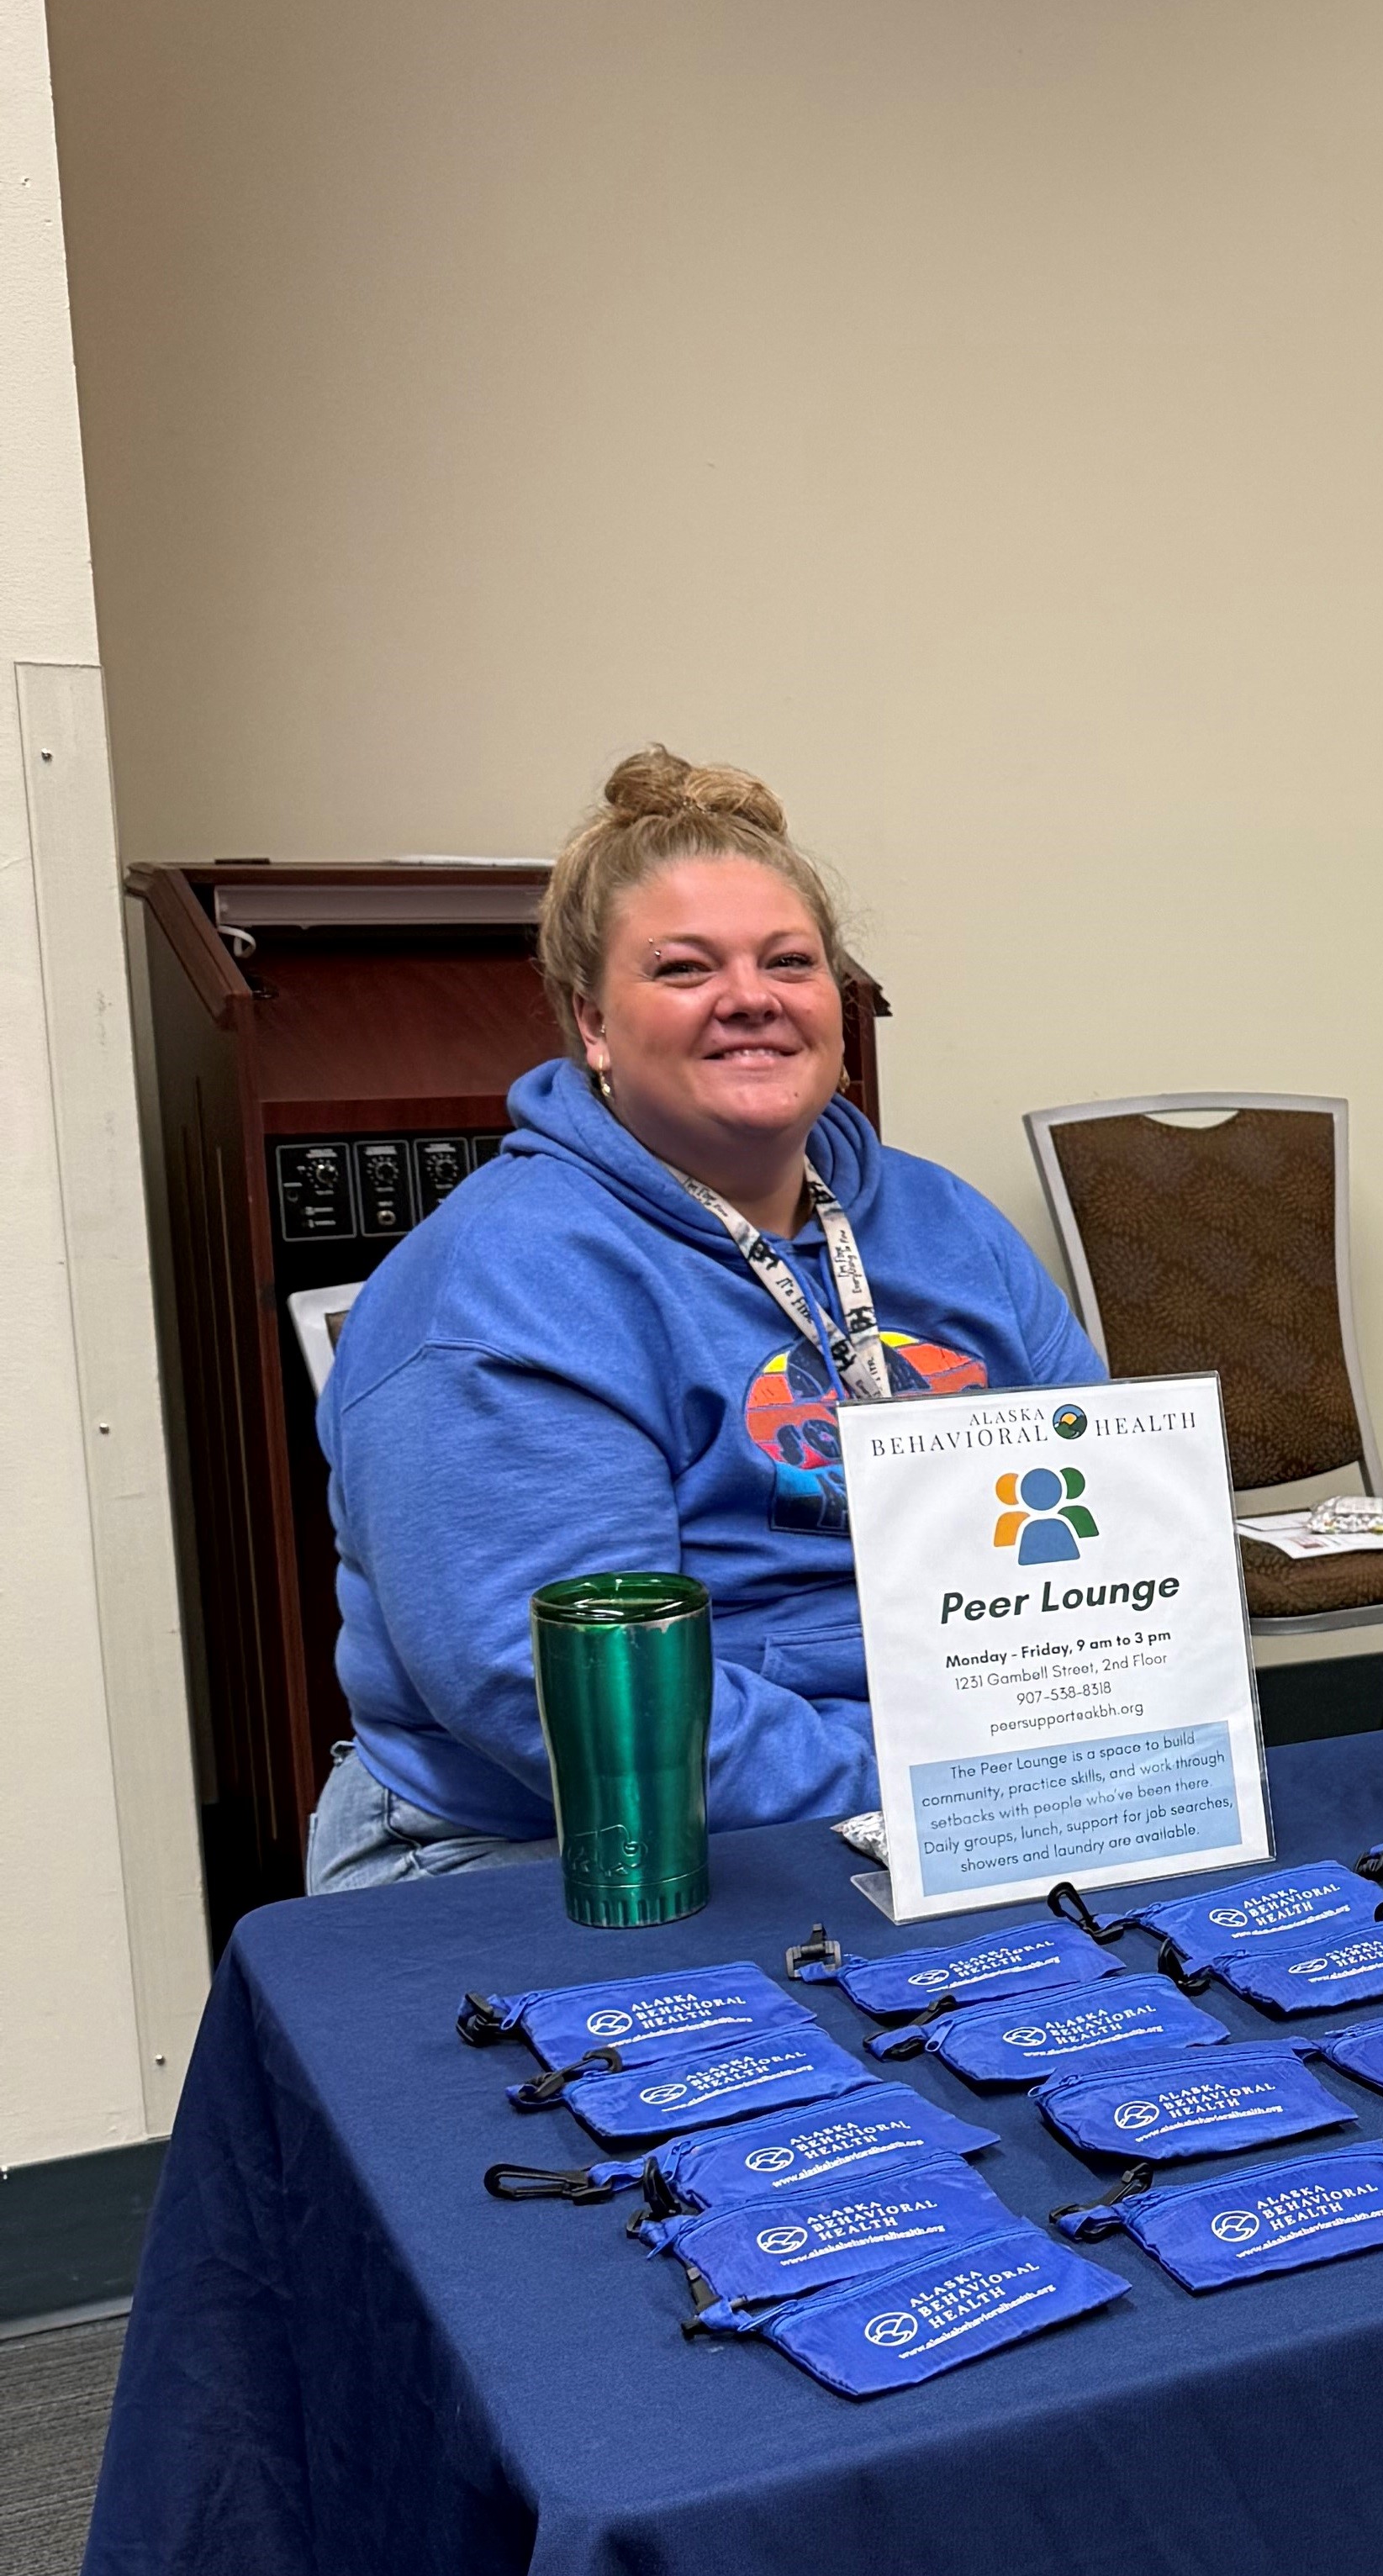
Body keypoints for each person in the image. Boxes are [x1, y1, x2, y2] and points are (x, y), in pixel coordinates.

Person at [309, 747, 1101, 1890]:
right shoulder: (501, 1285)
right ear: (591, 1023)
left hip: (953, 1790)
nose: (751, 998)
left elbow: (1119, 1520)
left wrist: (1097, 1748)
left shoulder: (945, 1224)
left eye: (791, 961)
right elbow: (542, 1685)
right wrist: (938, 1790)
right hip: (565, 1832)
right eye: (684, 969)